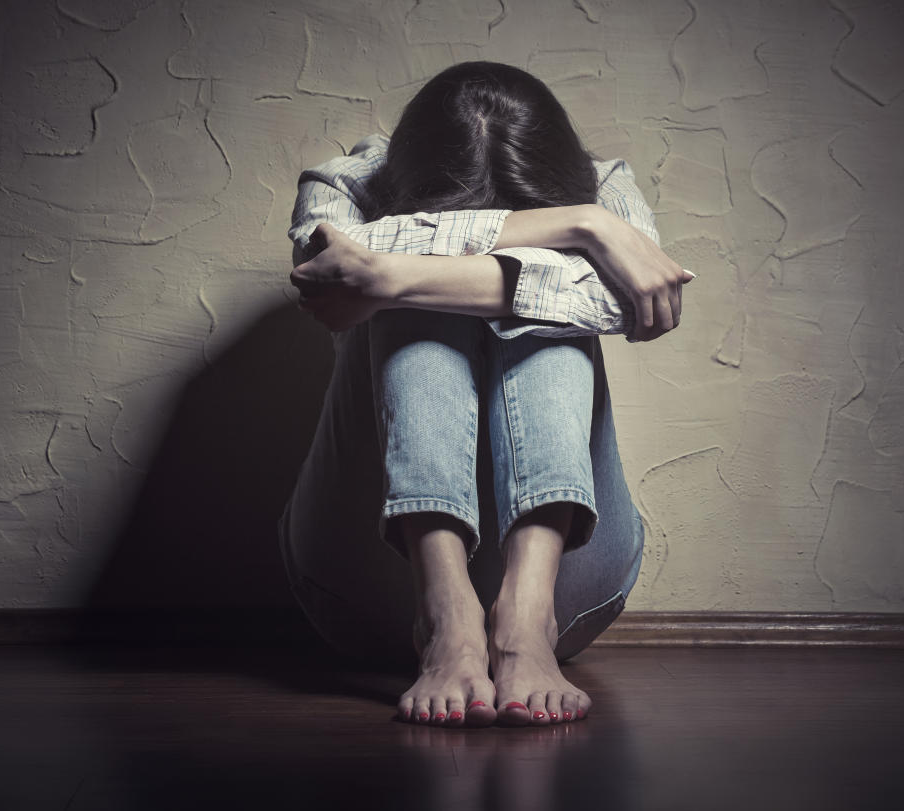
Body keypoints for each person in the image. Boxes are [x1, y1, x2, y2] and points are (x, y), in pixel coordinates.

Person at [278, 61, 692, 729]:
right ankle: (444, 607)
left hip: (571, 588)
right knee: (411, 296)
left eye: (583, 217)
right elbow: (327, 266)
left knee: (502, 297)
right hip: (365, 580)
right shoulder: (347, 181)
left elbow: (630, 303)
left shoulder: (605, 188)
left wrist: (402, 268)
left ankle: (526, 617)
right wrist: (580, 231)